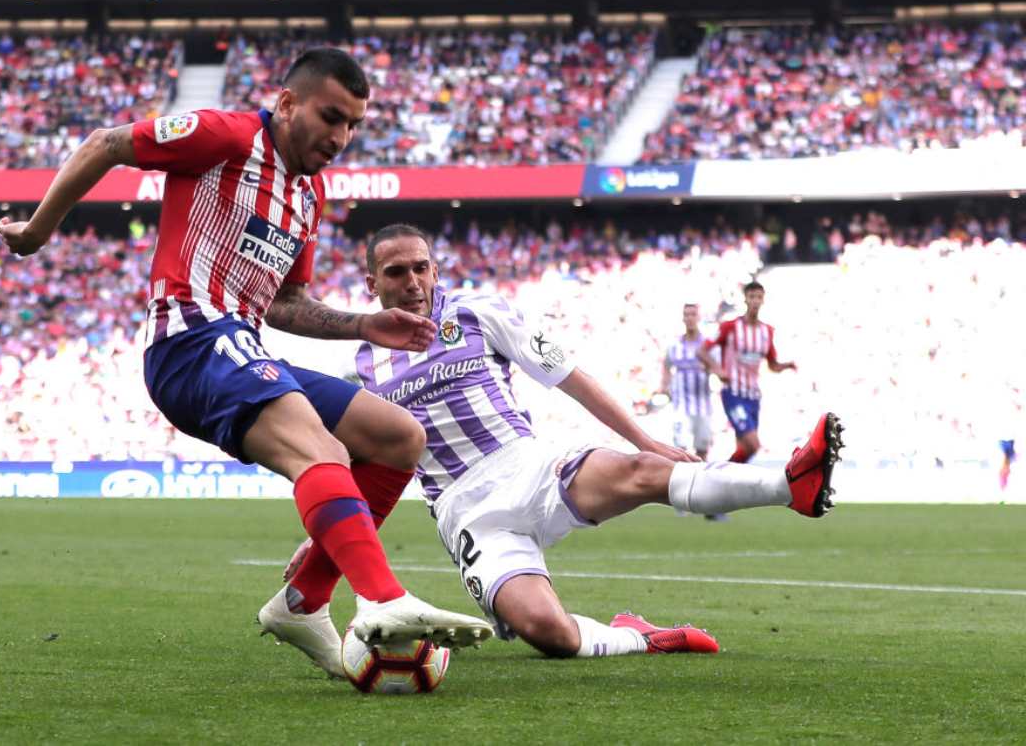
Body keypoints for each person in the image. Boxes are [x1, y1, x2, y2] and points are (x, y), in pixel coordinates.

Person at [0, 49, 493, 680]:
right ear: (287, 103)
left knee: (398, 437)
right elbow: (106, 143)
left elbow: (284, 303)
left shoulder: (307, 195)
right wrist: (39, 231)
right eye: (331, 117)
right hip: (189, 341)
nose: (341, 138)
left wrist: (365, 325)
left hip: (245, 343)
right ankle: (383, 598)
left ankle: (303, 602)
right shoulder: (227, 136)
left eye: (353, 126)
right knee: (321, 453)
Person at [277, 224, 843, 666]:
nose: (413, 282)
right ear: (372, 283)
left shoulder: (478, 311)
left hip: (529, 466)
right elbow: (369, 462)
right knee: (547, 634)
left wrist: (645, 438)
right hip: (467, 513)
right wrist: (325, 537)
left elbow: (568, 374)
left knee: (643, 470)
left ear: (435, 268)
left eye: (421, 268)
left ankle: (788, 482)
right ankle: (640, 637)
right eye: (396, 272)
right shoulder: (363, 361)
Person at [698, 280, 796, 465]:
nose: (755, 301)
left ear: (763, 300)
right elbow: (702, 351)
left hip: (753, 397)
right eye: (752, 297)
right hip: (733, 394)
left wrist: (786, 366)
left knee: (743, 449)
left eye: (759, 297)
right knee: (753, 445)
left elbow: (772, 365)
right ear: (745, 299)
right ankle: (720, 475)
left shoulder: (767, 331)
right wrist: (718, 369)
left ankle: (731, 485)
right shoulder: (730, 327)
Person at [659, 302, 717, 518]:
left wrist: (711, 368)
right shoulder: (675, 346)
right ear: (683, 318)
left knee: (702, 450)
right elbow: (666, 365)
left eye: (693, 314)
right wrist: (664, 385)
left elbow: (717, 367)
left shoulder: (708, 345)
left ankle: (702, 495)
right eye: (687, 314)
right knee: (680, 451)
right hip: (681, 406)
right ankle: (681, 498)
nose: (690, 317)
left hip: (703, 406)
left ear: (698, 317)